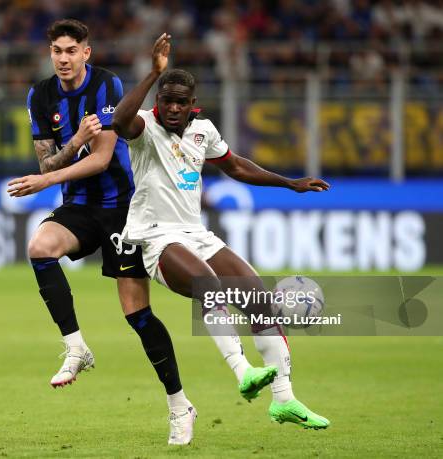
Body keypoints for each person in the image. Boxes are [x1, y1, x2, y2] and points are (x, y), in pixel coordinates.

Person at [112, 33, 331, 430]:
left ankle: (284, 400)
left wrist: (289, 182)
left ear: (192, 104)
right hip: (154, 238)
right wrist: (152, 74)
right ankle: (243, 370)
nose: (174, 108)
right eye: (167, 100)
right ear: (157, 101)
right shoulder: (143, 127)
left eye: (182, 102)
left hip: (195, 234)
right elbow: (118, 121)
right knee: (209, 287)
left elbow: (237, 166)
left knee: (260, 299)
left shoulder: (203, 131)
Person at [6, 19, 196, 445]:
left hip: (123, 210)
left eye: (72, 50)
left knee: (136, 314)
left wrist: (50, 177)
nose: (63, 58)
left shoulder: (107, 87)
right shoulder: (40, 95)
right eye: (57, 50)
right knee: (40, 247)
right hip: (79, 207)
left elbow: (103, 157)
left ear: (86, 53)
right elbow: (49, 163)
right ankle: (76, 347)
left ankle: (179, 405)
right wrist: (73, 141)